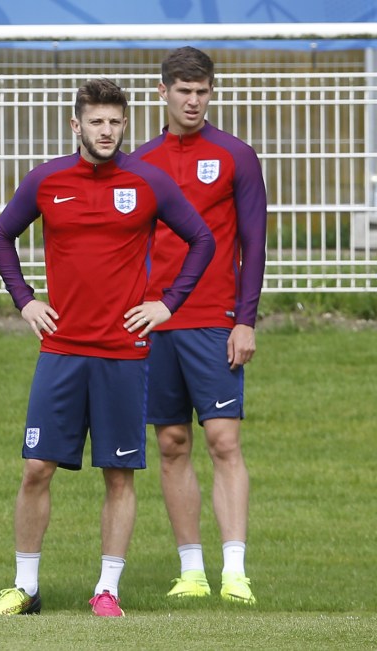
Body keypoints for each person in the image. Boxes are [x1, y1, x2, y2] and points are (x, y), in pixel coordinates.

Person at [0, 78, 215, 617]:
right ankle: (25, 588)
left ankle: (107, 589)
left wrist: (168, 304)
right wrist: (25, 300)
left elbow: (203, 238)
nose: (106, 131)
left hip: (125, 353)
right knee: (36, 468)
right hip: (61, 350)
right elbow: (1, 236)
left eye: (115, 122)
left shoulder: (149, 180)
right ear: (76, 125)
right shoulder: (47, 180)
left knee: (118, 473)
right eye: (96, 122)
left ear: (124, 124)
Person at [133, 46, 267, 604]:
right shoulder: (138, 161)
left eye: (202, 91)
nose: (193, 101)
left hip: (216, 320)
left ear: (210, 93)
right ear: (162, 92)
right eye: (183, 91)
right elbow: (129, 244)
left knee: (223, 440)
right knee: (171, 441)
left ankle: (234, 571)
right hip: (155, 321)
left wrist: (246, 319)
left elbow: (254, 242)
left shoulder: (236, 155)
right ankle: (191, 571)